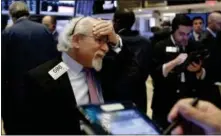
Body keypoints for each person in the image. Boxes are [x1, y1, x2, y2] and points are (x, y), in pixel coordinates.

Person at [22, 17, 123, 134]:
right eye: (100, 40)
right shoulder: (47, 76)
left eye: (107, 42)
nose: (105, 48)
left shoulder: (104, 67)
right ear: (76, 41)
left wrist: (115, 41)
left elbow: (132, 66)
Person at [2, 1, 59, 134]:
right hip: (43, 93)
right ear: (28, 13)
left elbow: (3, 69)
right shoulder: (45, 30)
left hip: (17, 96)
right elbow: (57, 63)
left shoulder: (7, 33)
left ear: (11, 16)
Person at [150, 14, 207, 129]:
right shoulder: (160, 46)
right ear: (173, 30)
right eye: (181, 34)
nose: (185, 38)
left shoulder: (196, 46)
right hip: (164, 104)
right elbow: (155, 74)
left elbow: (207, 74)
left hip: (189, 104)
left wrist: (199, 70)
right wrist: (174, 62)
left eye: (188, 34)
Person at [111, 9, 152, 112]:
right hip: (138, 95)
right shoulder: (145, 42)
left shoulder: (111, 43)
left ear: (116, 21)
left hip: (114, 97)